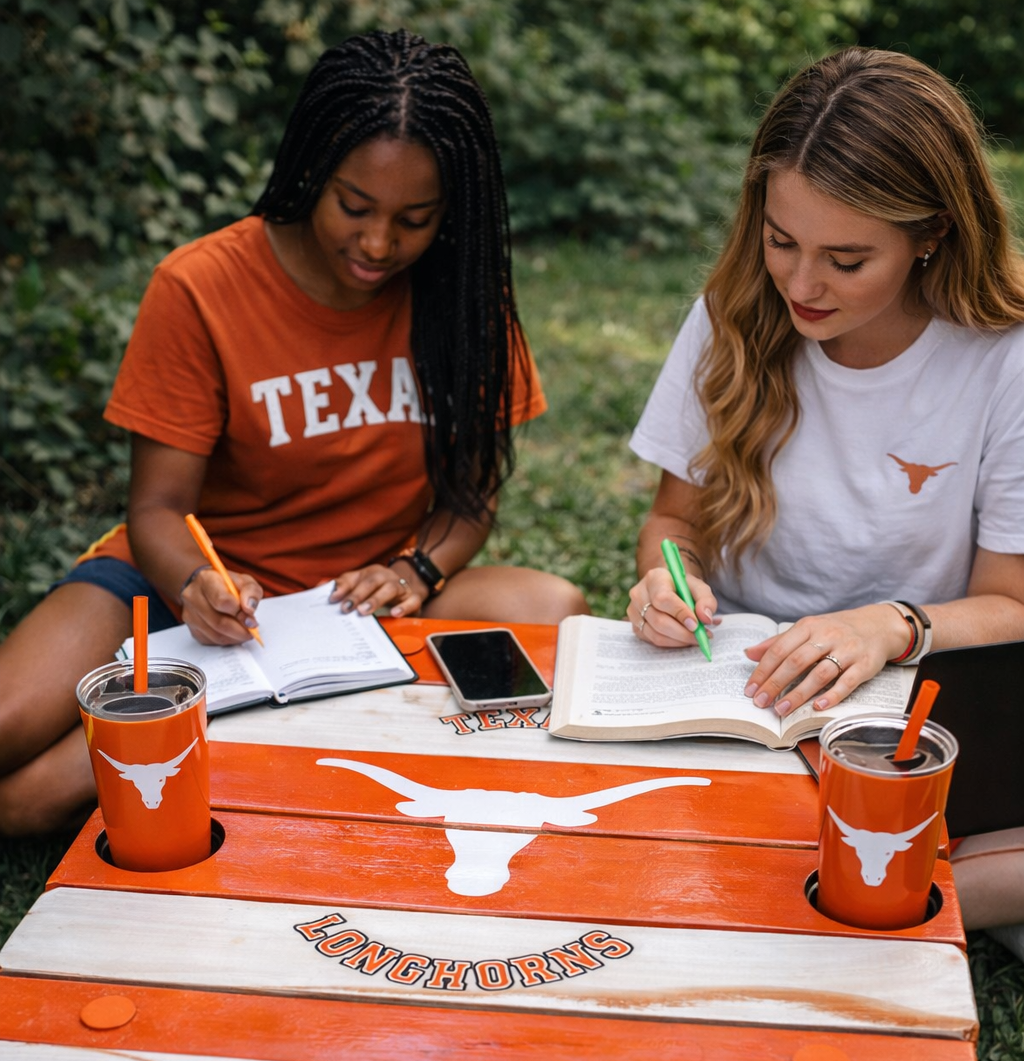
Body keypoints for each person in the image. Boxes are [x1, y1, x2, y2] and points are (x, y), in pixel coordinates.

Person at [0, 29, 587, 838]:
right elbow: (159, 509)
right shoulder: (203, 286)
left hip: (355, 613)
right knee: (12, 749)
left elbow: (471, 493)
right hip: (184, 594)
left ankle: (249, 724)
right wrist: (196, 586)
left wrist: (418, 568)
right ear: (313, 169)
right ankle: (214, 712)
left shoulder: (464, 298)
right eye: (355, 206)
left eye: (415, 219)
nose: (379, 245)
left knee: (551, 607)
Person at [627, 47, 1024, 950]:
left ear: (933, 235)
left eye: (847, 259)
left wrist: (885, 625)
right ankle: (918, 885)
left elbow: (1011, 601)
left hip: (908, 706)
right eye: (781, 240)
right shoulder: (734, 311)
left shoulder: (1003, 356)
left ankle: (883, 876)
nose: (801, 286)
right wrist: (667, 583)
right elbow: (671, 523)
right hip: (734, 694)